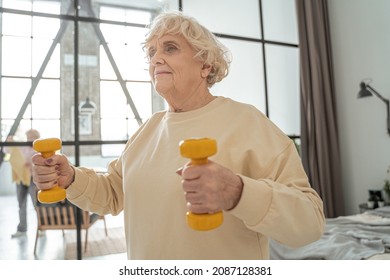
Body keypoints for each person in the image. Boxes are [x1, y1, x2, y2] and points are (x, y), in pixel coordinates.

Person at [32, 12, 325, 259]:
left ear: (206, 64)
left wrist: (237, 192)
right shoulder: (148, 130)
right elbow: (112, 194)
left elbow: (310, 222)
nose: (156, 58)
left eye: (170, 48)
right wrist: (69, 177)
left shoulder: (247, 122)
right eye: (152, 52)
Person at [6, 129, 40, 238]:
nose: (29, 138)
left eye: (31, 136)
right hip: (21, 179)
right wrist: (9, 141)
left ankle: (42, 228)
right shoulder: (22, 146)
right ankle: (22, 229)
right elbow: (8, 150)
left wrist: (31, 165)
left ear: (36, 137)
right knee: (21, 205)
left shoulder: (39, 149)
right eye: (28, 136)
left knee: (37, 205)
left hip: (32, 179)